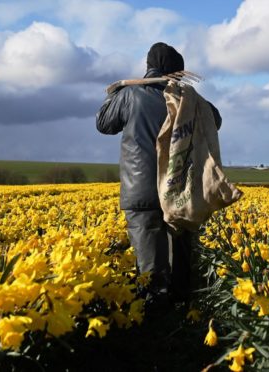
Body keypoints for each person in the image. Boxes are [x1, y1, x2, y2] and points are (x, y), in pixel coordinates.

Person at [96, 42, 222, 312]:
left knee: (149, 268)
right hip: (180, 191)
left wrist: (114, 93)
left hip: (141, 193)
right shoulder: (190, 99)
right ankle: (185, 324)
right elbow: (216, 120)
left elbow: (104, 124)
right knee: (183, 263)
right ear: (178, 71)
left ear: (149, 67)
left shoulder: (131, 94)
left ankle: (153, 328)